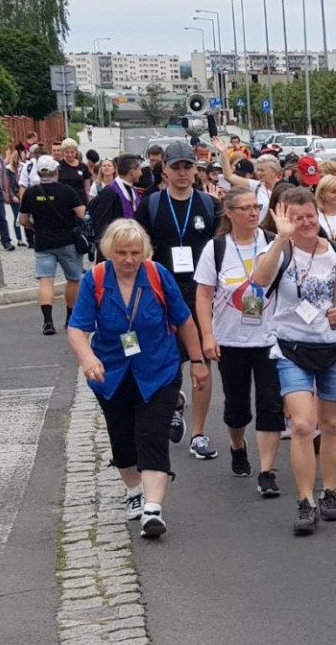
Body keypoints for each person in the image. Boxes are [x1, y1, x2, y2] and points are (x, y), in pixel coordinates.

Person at [68, 219, 208, 538]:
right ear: (108, 252)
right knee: (123, 438)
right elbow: (77, 328)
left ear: (144, 251)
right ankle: (134, 490)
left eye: (134, 252)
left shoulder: (157, 276)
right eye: (121, 253)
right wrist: (87, 357)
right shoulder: (96, 279)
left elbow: (184, 322)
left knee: (152, 434)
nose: (128, 259)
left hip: (158, 368)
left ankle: (153, 509)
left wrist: (198, 361)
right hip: (112, 372)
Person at [251, 188, 336, 535]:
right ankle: (305, 501)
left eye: (310, 216)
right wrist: (281, 240)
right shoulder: (276, 251)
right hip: (292, 348)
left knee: (332, 424)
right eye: (296, 218)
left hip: (335, 347)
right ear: (283, 218)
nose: (305, 223)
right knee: (304, 425)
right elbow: (259, 283)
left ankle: (330, 492)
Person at [194, 188, 285, 494]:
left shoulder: (273, 242)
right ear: (229, 214)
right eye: (245, 208)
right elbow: (204, 295)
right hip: (231, 339)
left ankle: (267, 470)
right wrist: (207, 335)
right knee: (236, 406)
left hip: (270, 339)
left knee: (271, 404)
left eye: (256, 207)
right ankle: (237, 445)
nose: (252, 212)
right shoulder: (216, 248)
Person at [137, 140, 222, 460]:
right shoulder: (152, 204)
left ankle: (199, 433)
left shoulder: (209, 204)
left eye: (188, 166)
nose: (183, 173)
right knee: (167, 360)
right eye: (177, 167)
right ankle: (175, 402)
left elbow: (221, 247)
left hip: (201, 292)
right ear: (165, 171)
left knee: (202, 361)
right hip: (161, 291)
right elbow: (139, 247)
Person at [19, 155, 85, 333]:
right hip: (67, 241)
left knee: (46, 281)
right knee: (73, 279)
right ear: (56, 171)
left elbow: (23, 220)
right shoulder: (67, 190)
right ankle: (70, 318)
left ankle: (48, 322)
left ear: (39, 173)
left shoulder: (31, 193)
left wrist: (35, 228)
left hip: (43, 242)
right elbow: (81, 214)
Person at [89, 155, 144, 259]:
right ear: (132, 172)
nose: (141, 173)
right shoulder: (110, 192)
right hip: (113, 249)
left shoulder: (133, 190)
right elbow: (102, 224)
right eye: (139, 169)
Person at [211, 137, 277, 222]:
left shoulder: (283, 188)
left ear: (274, 171)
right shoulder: (256, 186)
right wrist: (223, 153)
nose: (259, 173)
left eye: (262, 170)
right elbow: (229, 176)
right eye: (258, 170)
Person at [58, 138, 92, 205]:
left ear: (76, 152)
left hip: (80, 200)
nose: (70, 155)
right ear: (63, 152)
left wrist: (89, 202)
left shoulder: (83, 167)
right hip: (63, 200)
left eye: (72, 152)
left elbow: (87, 187)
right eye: (67, 152)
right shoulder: (58, 166)